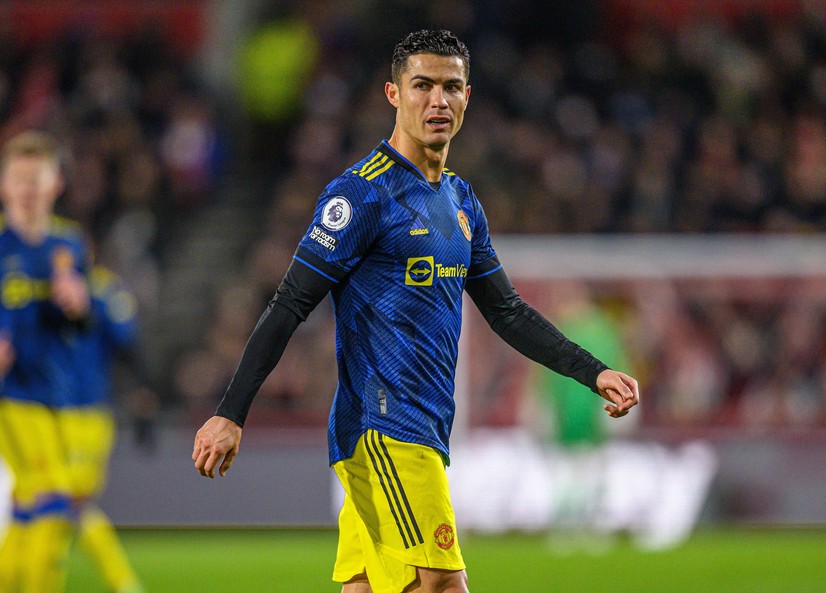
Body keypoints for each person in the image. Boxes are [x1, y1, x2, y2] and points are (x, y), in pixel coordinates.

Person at [192, 30, 640, 593]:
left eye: (451, 87)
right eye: (422, 85)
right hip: (385, 427)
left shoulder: (459, 200)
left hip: (422, 425)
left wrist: (592, 371)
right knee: (443, 585)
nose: (438, 101)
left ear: (467, 98)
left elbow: (507, 312)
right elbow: (289, 304)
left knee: (368, 588)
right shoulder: (359, 196)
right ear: (393, 94)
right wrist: (231, 412)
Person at [0, 130, 91, 593]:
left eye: (37, 179)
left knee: (29, 503)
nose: (27, 189)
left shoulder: (68, 244)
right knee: (54, 496)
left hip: (54, 389)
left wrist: (76, 306)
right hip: (10, 392)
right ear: (3, 185)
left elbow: (78, 328)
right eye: (18, 179)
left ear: (56, 183)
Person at [58, 263, 147, 593]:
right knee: (53, 504)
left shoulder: (102, 288)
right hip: (40, 410)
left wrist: (143, 388)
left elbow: (128, 341)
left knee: (69, 504)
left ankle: (122, 582)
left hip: (84, 411)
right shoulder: (28, 282)